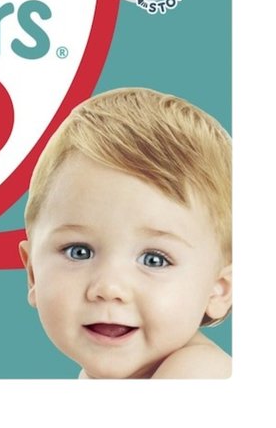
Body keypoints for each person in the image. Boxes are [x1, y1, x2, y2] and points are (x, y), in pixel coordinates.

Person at [19, 88, 232, 378]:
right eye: (79, 252)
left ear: (219, 289)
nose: (108, 288)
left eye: (154, 259)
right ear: (33, 273)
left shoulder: (199, 372)